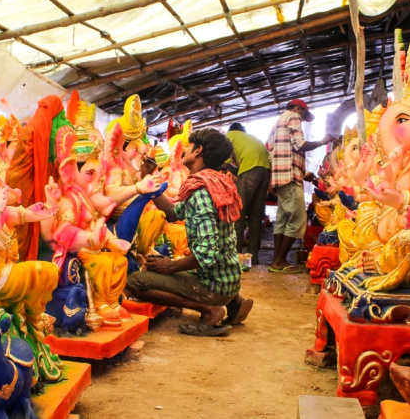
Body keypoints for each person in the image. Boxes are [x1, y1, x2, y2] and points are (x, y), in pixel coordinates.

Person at [127, 129, 253, 337]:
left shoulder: (201, 192)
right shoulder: (212, 183)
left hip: (213, 284)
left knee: (136, 282)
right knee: (164, 266)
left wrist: (171, 266)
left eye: (188, 146)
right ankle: (234, 300)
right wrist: (149, 177)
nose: (184, 151)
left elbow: (206, 253)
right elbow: (173, 214)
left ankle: (209, 310)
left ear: (198, 151)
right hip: (227, 277)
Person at [266, 99, 331, 273]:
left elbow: (271, 150)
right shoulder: (293, 116)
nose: (302, 119)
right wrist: (322, 142)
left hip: (280, 177)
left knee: (282, 220)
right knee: (298, 220)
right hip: (290, 177)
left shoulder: (277, 122)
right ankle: (279, 262)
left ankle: (277, 262)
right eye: (303, 115)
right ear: (298, 109)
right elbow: (299, 144)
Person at [226, 122, 271, 265]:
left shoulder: (229, 135)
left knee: (238, 215)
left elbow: (224, 162)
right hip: (265, 171)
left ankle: (236, 257)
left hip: (251, 170)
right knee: (255, 218)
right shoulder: (249, 139)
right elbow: (238, 168)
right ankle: (254, 257)